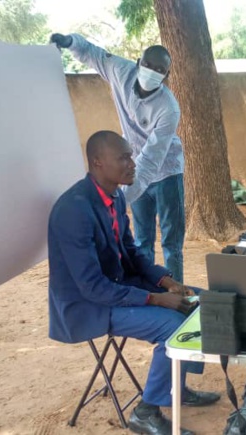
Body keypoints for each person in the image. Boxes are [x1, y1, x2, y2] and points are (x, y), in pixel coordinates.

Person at [47, 131, 218, 435]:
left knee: (202, 302)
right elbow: (92, 288)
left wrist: (166, 281)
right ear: (98, 162)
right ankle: (146, 412)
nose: (132, 163)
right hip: (90, 305)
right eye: (124, 157)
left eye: (131, 156)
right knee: (173, 326)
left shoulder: (114, 196)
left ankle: (177, 387)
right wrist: (155, 299)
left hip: (119, 287)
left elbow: (132, 252)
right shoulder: (74, 210)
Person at [50, 32, 187, 283]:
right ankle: (147, 289)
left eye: (159, 70)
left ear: (166, 76)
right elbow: (94, 54)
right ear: (137, 62)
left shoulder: (168, 108)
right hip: (132, 170)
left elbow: (150, 161)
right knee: (141, 240)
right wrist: (70, 42)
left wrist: (118, 200)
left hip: (166, 172)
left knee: (171, 243)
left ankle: (177, 295)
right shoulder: (120, 71)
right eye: (148, 65)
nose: (152, 71)